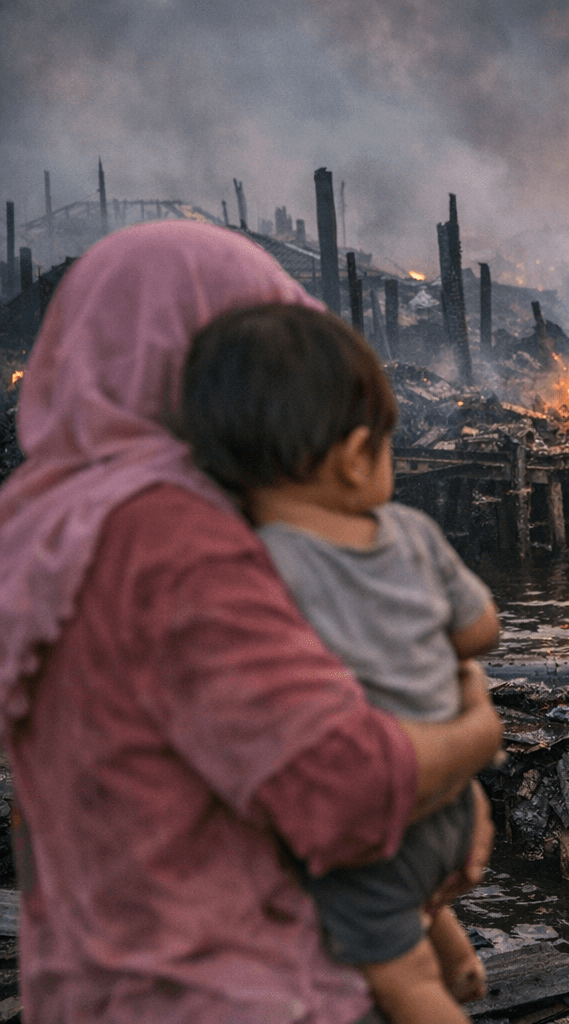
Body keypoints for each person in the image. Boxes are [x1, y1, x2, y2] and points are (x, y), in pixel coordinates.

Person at [0, 220, 504, 1023]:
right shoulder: (169, 540)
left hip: (95, 979)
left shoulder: (44, 523)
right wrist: (477, 732)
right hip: (234, 988)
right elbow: (343, 791)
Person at [179, 303, 502, 1023]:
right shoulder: (414, 534)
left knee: (401, 981)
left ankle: (440, 970)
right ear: (358, 456)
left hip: (373, 814)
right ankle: (461, 956)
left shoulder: (254, 569)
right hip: (454, 802)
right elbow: (482, 631)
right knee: (405, 899)